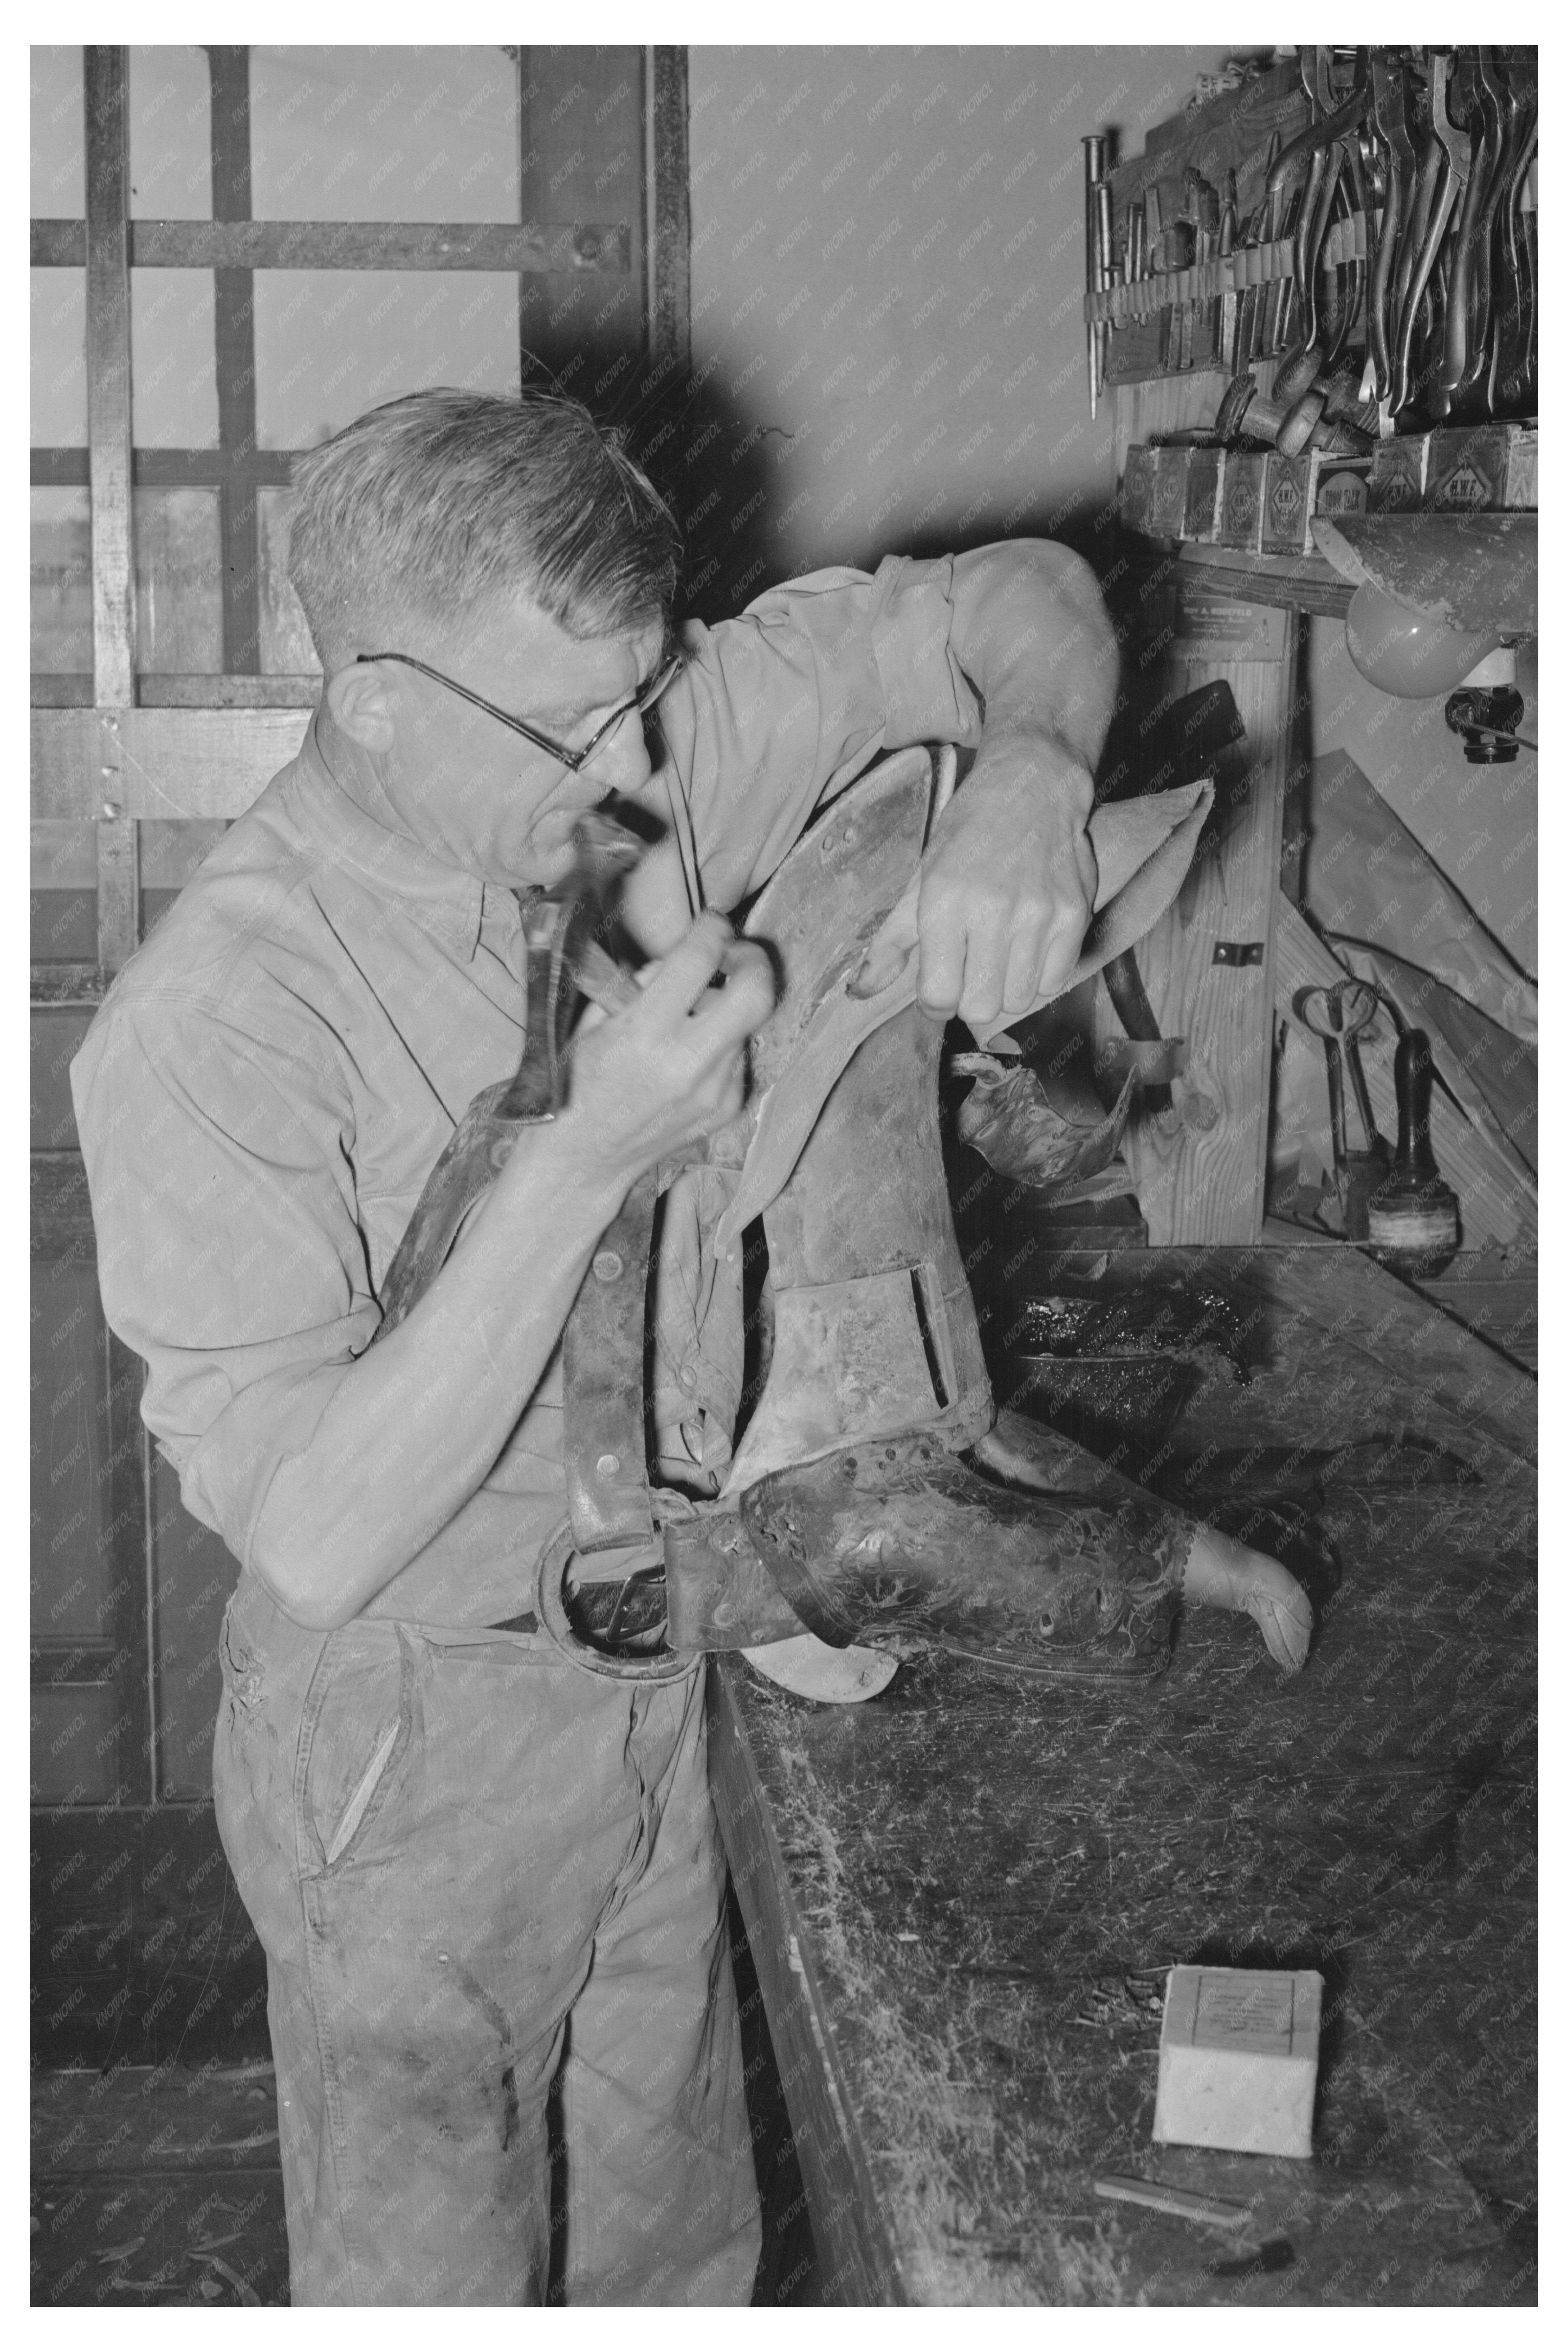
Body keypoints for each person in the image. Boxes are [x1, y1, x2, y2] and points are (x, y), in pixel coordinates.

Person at [71, 386, 1115, 2306]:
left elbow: (1009, 594)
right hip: (409, 1748)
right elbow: (314, 1528)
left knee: (677, 2255)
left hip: (653, 1657)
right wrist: (590, 1157)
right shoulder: (212, 1021)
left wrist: (1035, 766)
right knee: (430, 2293)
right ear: (373, 695)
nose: (631, 761)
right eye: (568, 723)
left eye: (644, 692)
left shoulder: (624, 753)